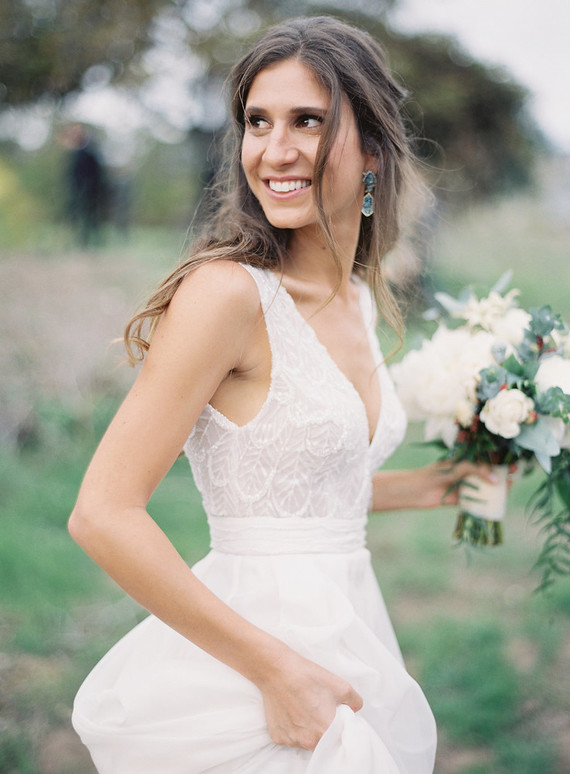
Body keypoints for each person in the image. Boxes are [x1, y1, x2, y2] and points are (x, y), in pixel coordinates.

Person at [69, 16, 497, 774]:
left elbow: (302, 492)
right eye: (258, 122)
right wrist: (274, 671)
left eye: (308, 121)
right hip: (253, 659)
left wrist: (441, 485)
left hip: (351, 629)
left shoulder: (357, 297)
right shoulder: (226, 295)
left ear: (373, 149)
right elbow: (103, 513)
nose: (275, 150)